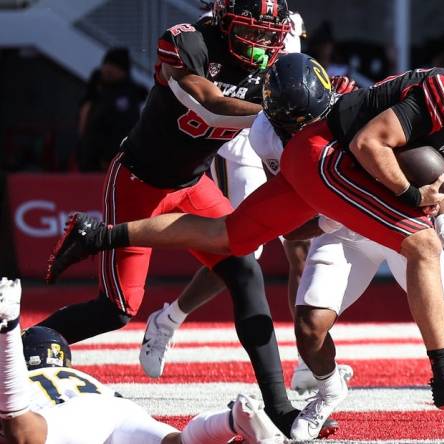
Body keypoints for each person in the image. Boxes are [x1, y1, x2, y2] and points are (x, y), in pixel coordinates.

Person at [46, 58, 444, 420]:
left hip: (319, 163)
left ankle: (98, 233)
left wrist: (437, 208)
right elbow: (370, 142)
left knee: (232, 236)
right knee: (419, 246)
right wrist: (410, 193)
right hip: (329, 156)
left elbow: (401, 165)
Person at [39, 0, 336, 437]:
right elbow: (210, 104)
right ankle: (29, 342)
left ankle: (279, 408)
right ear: (225, 22)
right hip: (139, 180)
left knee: (244, 271)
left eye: (268, 35)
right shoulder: (189, 42)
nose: (260, 46)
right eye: (250, 32)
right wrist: (274, 108)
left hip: (193, 186)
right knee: (117, 309)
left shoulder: (273, 67)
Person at [206, 53, 444, 442]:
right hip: (345, 231)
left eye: (315, 116)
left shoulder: (359, 108)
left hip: (399, 224)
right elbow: (291, 228)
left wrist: (443, 214)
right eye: (296, 122)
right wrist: (329, 218)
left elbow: (429, 163)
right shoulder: (267, 138)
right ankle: (329, 389)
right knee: (309, 329)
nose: (307, 127)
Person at [136, 4, 349, 396]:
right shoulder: (205, 36)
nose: (263, 38)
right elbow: (214, 94)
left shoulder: (286, 24)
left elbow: (298, 85)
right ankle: (169, 319)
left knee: (299, 244)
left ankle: (307, 358)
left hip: (277, 131)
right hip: (237, 139)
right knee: (246, 247)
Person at [0, 278, 285, 444]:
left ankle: (8, 326)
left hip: (67, 416)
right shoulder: (82, 378)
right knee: (179, 442)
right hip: (116, 408)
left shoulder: (25, 380)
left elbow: (16, 420)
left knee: (20, 431)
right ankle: (231, 420)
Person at [77, 48, 148, 172]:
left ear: (123, 71)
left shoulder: (127, 96)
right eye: (106, 65)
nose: (108, 69)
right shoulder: (97, 91)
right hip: (90, 160)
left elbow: (124, 129)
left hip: (111, 163)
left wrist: (110, 156)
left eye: (114, 66)